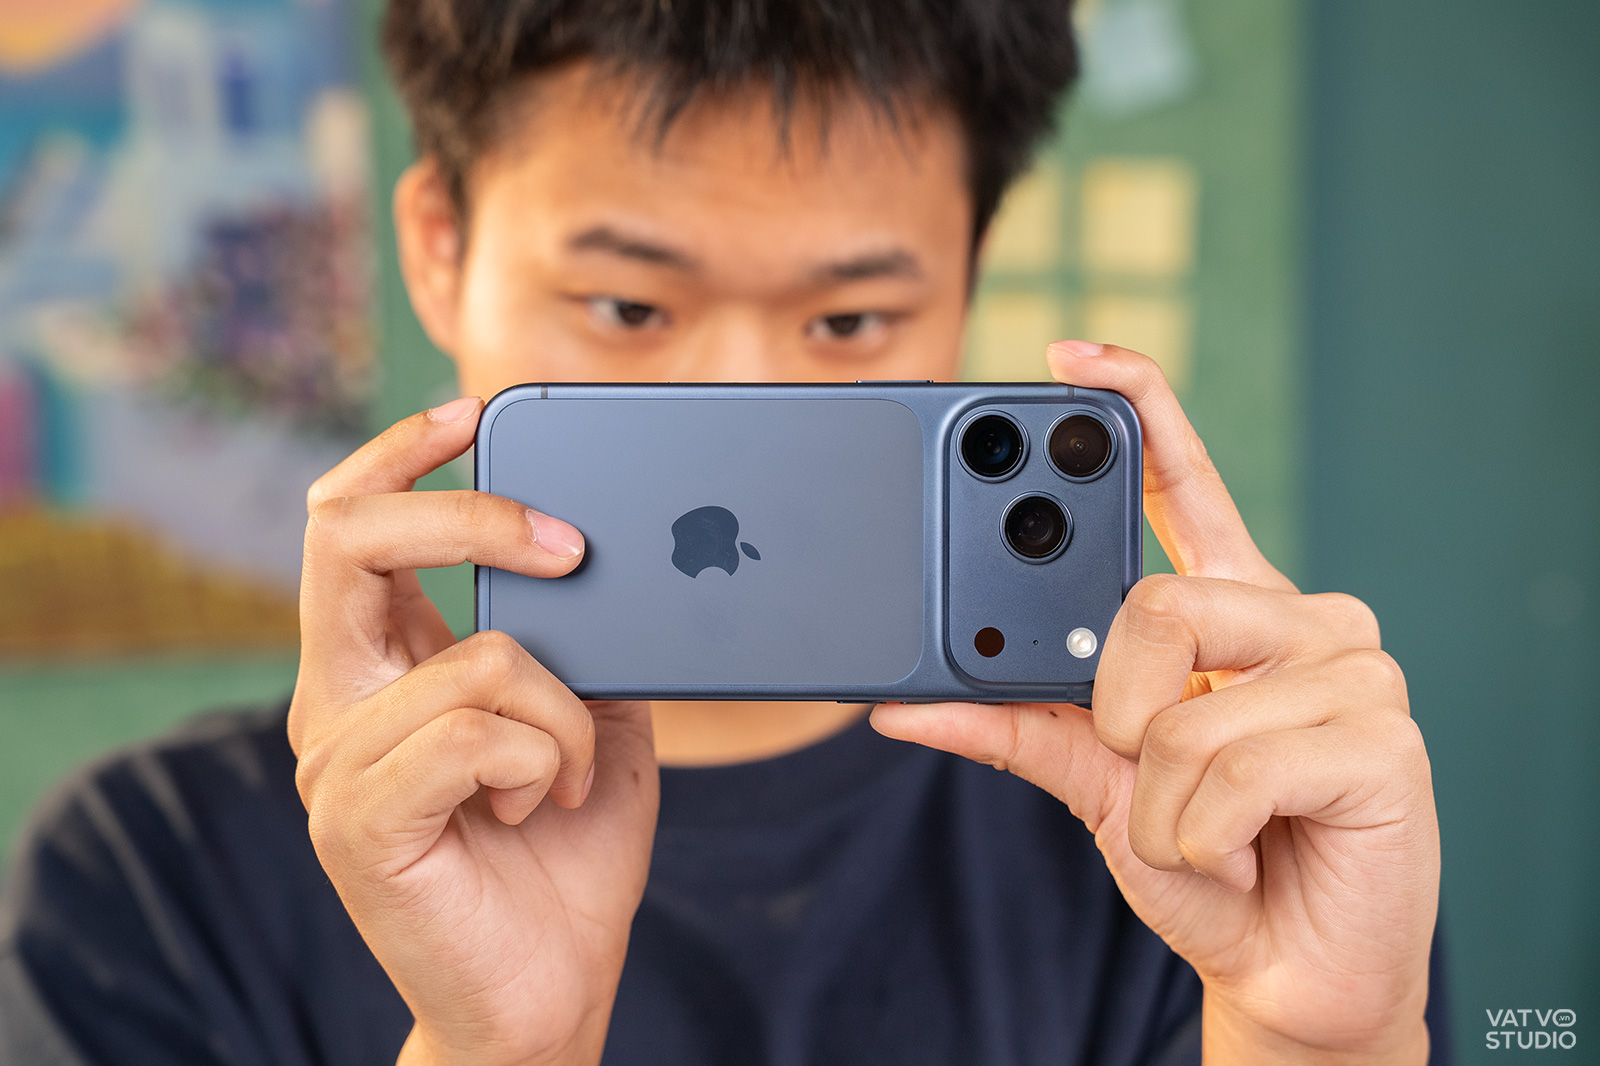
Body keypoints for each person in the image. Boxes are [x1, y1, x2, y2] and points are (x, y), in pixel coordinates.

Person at [0, 1, 1452, 1063]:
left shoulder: (1204, 832)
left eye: (851, 319)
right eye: (629, 306)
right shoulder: (150, 879)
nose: (747, 402)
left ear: (969, 278)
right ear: (438, 248)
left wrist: (1318, 1044)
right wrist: (501, 1051)